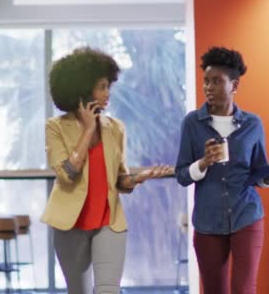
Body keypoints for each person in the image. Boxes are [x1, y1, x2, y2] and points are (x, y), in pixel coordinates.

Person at [42, 47, 174, 294]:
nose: (107, 94)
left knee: (108, 290)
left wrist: (138, 178)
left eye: (108, 87)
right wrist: (89, 130)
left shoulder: (116, 128)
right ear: (82, 89)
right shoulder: (55, 127)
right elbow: (67, 174)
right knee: (78, 291)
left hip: (109, 223)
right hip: (71, 225)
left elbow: (120, 180)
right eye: (102, 87)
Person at [175, 46, 269, 294]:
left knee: (244, 289)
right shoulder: (192, 124)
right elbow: (182, 175)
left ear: (234, 86)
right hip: (207, 222)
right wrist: (203, 162)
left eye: (216, 81)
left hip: (246, 216)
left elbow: (258, 172)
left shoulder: (253, 124)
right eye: (206, 81)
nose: (208, 87)